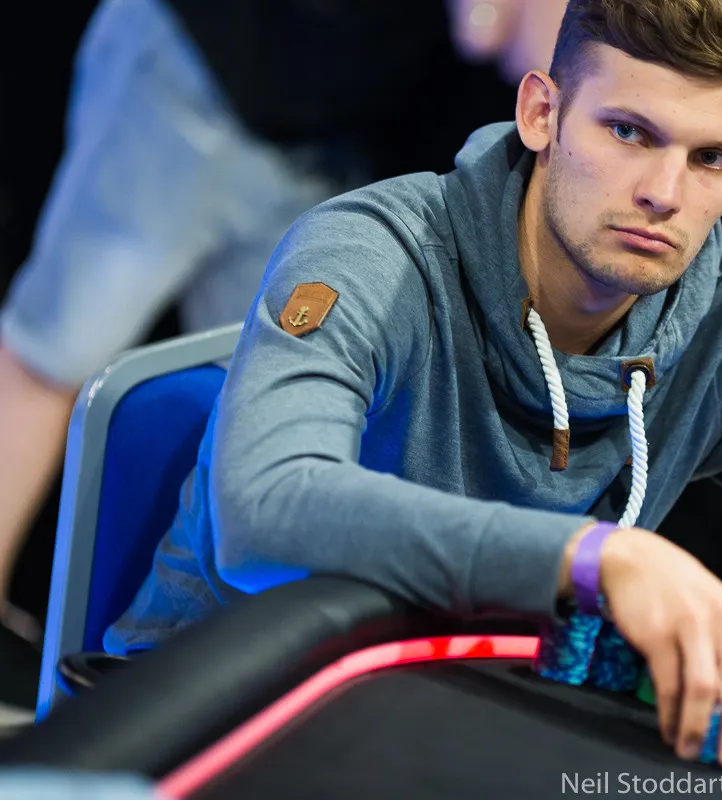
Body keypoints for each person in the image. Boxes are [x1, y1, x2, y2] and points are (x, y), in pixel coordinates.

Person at [105, 0, 722, 780]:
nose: (663, 192)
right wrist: (593, 561)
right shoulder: (374, 249)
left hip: (475, 723)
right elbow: (264, 509)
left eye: (708, 157)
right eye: (629, 132)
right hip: (216, 714)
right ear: (541, 113)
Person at [0, 0, 567, 644]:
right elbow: (490, 25)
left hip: (314, 132)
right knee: (51, 358)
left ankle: (204, 667)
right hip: (195, 72)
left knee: (250, 401)